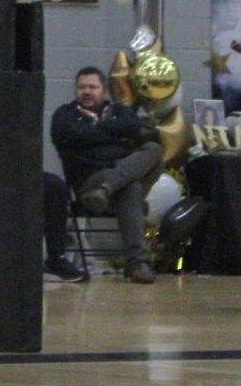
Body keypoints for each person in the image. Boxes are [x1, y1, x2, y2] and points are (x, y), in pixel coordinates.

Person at [50, 66, 161, 284]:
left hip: (110, 186)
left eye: (93, 87)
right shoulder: (65, 115)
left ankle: (109, 187)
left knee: (154, 150)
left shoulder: (120, 111)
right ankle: (137, 263)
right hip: (90, 184)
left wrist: (97, 130)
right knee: (130, 186)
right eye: (82, 87)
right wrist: (112, 132)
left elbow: (134, 129)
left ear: (104, 91)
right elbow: (72, 136)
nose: (87, 91)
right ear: (76, 90)